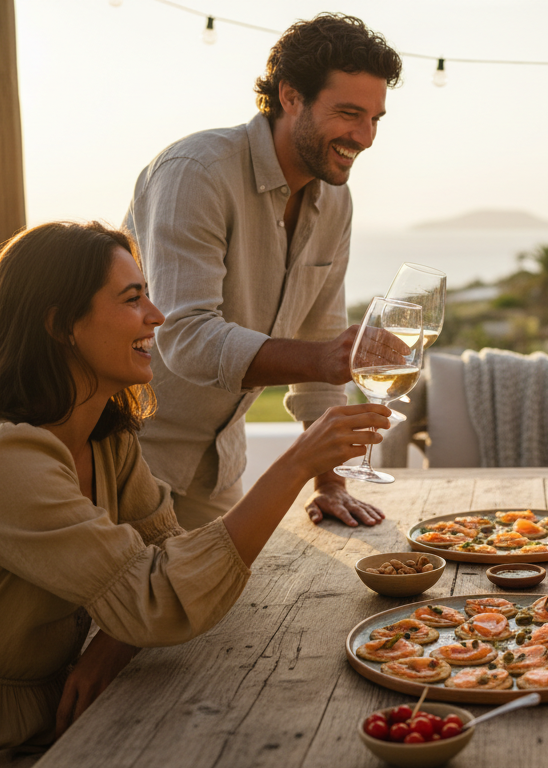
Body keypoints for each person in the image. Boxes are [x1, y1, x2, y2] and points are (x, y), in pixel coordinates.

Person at [0, 222, 388, 768]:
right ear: (60, 324)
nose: (157, 317)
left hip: (55, 714)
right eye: (133, 300)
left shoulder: (106, 441)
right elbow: (156, 600)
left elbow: (165, 564)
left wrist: (116, 642)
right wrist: (296, 464)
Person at [124, 13, 402, 531]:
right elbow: (185, 337)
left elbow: (319, 342)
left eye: (375, 118)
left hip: (219, 467)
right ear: (290, 96)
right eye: (348, 113)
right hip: (131, 458)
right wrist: (323, 358)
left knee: (243, 609)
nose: (364, 137)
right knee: (140, 611)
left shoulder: (335, 201)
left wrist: (331, 482)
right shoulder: (196, 173)